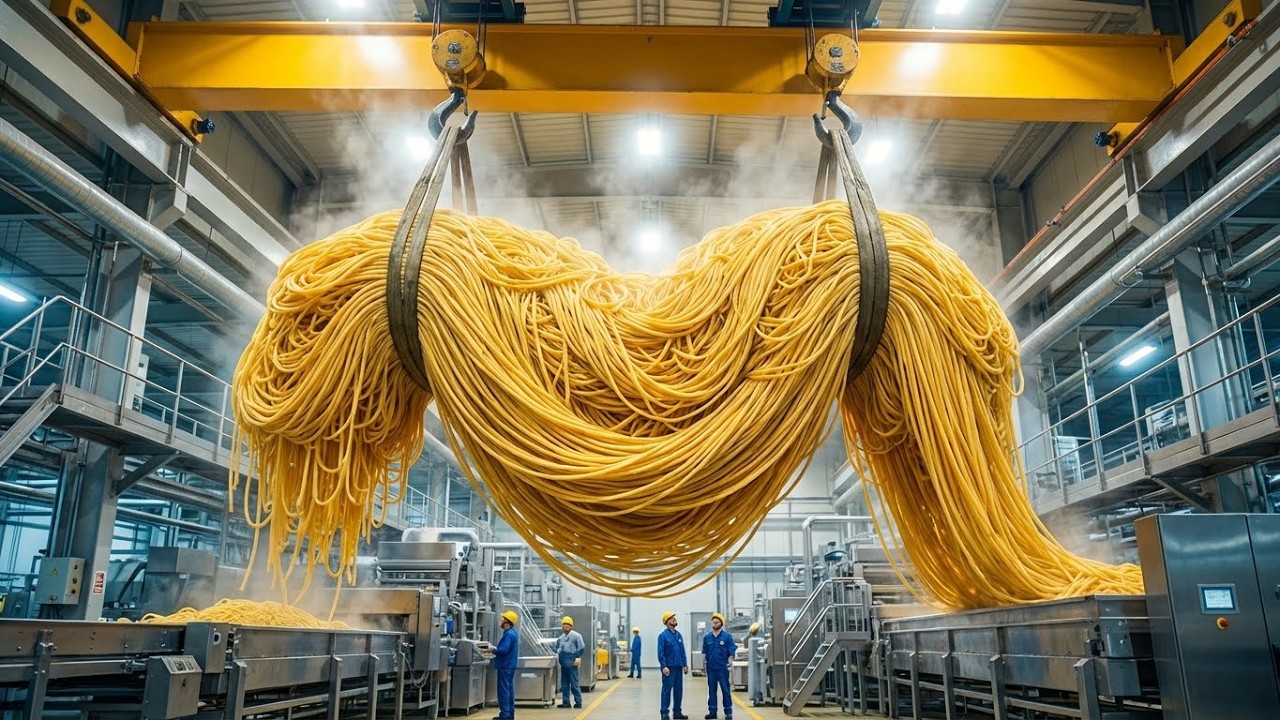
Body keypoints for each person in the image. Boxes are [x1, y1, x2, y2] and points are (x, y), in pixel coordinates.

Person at [701, 612, 737, 720]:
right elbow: (705, 652)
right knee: (712, 690)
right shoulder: (707, 637)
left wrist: (731, 658)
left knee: (725, 690)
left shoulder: (727, 637)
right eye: (714, 622)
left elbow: (731, 650)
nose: (715, 624)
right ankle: (712, 711)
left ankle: (728, 712)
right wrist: (704, 666)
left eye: (717, 622)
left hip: (722, 668)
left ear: (721, 623)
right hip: (711, 669)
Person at [657, 611, 689, 720]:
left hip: (678, 667)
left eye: (674, 618)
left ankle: (677, 712)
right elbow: (661, 653)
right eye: (671, 618)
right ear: (667, 621)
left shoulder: (678, 634)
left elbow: (682, 651)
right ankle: (664, 713)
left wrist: (685, 664)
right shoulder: (663, 636)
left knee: (678, 690)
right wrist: (664, 666)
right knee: (667, 690)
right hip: (669, 667)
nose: (674, 620)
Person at [552, 615, 585, 709]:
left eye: (567, 626)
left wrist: (576, 657)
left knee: (574, 683)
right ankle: (566, 702)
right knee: (565, 684)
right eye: (563, 626)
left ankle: (578, 702)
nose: (565, 628)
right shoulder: (561, 638)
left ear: (571, 626)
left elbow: (581, 648)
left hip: (572, 661)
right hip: (563, 662)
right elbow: (556, 648)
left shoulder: (576, 636)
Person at [493, 610, 520, 720]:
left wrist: (492, 649)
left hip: (505, 666)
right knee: (508, 689)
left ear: (507, 622)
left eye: (503, 619)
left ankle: (505, 715)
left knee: (503, 690)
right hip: (509, 665)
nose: (501, 620)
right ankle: (509, 714)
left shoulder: (509, 635)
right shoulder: (513, 633)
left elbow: (503, 650)